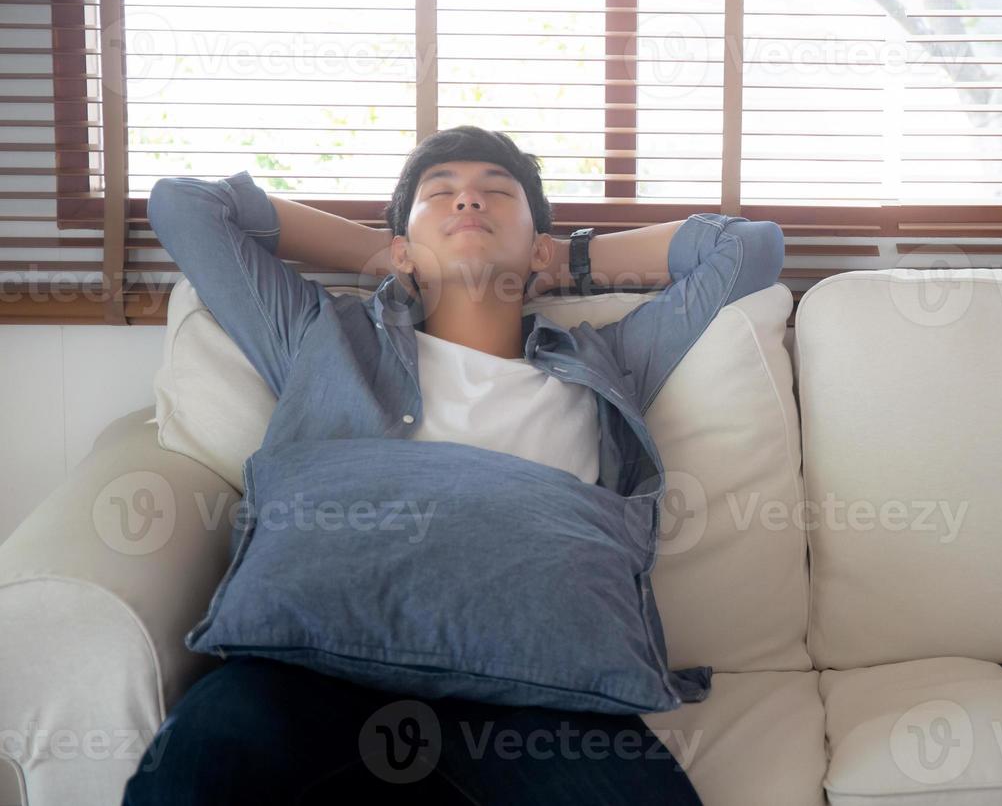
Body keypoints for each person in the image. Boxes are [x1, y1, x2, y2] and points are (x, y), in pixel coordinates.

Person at [122, 125, 786, 804]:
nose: (469, 201)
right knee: (189, 777)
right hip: (312, 672)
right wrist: (385, 252)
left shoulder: (608, 361)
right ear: (403, 246)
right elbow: (186, 204)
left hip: (536, 691)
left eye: (497, 192)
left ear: (537, 247)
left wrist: (569, 257)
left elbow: (749, 247)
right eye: (441, 194)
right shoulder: (323, 338)